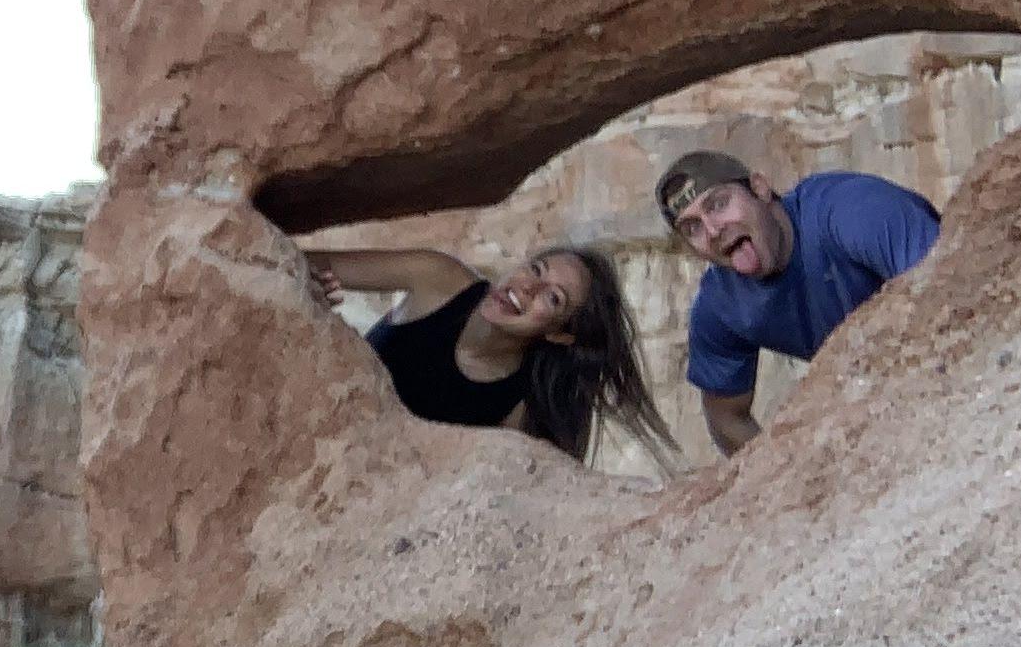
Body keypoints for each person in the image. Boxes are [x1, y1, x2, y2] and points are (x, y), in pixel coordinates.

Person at [658, 148, 941, 454]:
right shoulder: (720, 306)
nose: (713, 230)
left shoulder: (851, 211)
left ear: (759, 187)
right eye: (693, 228)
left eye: (719, 204)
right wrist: (786, 476)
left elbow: (948, 287)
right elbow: (727, 417)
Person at [304, 240, 674, 466]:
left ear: (560, 335)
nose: (527, 287)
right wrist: (309, 288)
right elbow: (302, 263)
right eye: (536, 269)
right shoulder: (439, 278)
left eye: (552, 297)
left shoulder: (521, 413)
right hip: (317, 435)